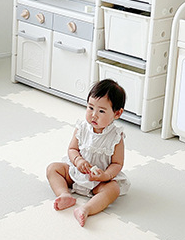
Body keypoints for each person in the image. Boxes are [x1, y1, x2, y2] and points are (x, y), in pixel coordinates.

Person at [46, 79, 130, 227]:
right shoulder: (82, 127)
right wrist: (78, 161)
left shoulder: (116, 136)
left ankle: (86, 209)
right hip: (76, 173)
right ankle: (64, 194)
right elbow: (72, 149)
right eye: (90, 108)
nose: (94, 115)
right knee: (53, 168)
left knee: (113, 189)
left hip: (99, 181)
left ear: (117, 113)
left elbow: (117, 163)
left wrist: (105, 175)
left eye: (101, 111)